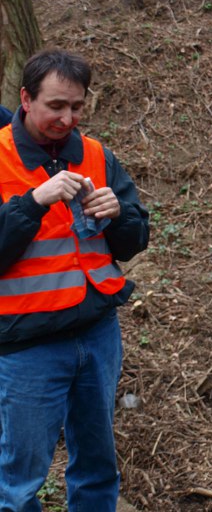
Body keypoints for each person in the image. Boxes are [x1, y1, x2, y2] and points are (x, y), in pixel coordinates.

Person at [0, 49, 150, 511]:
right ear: (26, 99)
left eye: (77, 107)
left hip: (97, 334)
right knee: (19, 481)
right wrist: (31, 204)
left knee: (97, 467)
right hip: (28, 344)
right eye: (56, 106)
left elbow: (135, 239)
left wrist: (118, 215)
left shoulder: (96, 155)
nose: (67, 118)